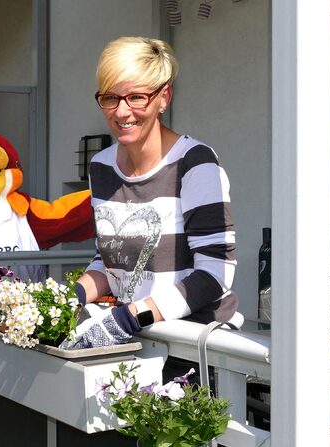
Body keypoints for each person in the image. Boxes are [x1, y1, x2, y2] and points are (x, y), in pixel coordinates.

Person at [60, 36, 240, 350]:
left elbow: (215, 274)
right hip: (137, 339)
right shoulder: (101, 167)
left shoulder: (194, 163)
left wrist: (131, 318)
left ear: (164, 97)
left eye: (137, 97)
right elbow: (109, 262)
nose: (121, 111)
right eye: (110, 97)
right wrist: (66, 300)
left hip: (193, 346)